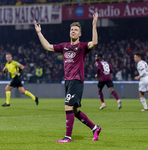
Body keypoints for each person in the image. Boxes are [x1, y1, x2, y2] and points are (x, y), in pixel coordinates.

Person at [34, 12, 101, 143]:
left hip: (76, 80)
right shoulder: (64, 46)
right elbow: (48, 46)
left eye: (76, 30)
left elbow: (94, 42)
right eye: (72, 29)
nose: (73, 31)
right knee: (74, 111)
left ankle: (68, 137)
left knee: (67, 107)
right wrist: (39, 33)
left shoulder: (81, 47)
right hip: (68, 81)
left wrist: (94, 25)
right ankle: (95, 128)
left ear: (80, 34)